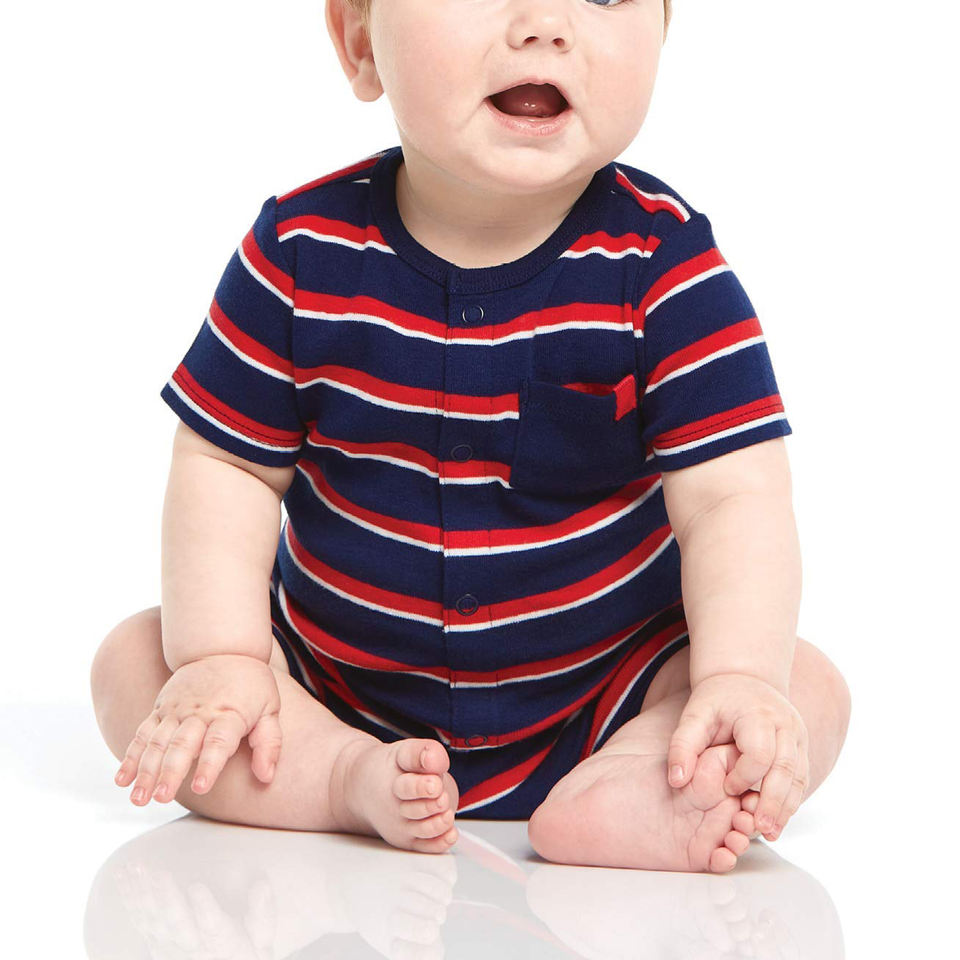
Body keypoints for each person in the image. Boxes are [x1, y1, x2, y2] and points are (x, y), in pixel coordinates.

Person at [91, 0, 851, 874]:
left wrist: (738, 679)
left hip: (607, 692)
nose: (546, 23)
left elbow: (733, 498)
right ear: (360, 42)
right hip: (331, 690)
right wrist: (223, 657)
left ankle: (636, 780)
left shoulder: (665, 266)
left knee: (802, 684)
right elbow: (228, 467)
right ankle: (338, 778)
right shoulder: (297, 254)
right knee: (135, 663)